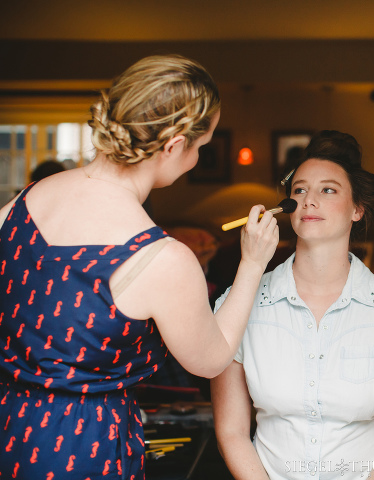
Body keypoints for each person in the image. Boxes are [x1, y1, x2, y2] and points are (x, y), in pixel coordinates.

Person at [0, 55, 279, 479]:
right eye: (201, 148)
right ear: (173, 146)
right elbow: (210, 359)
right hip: (80, 446)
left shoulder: (19, 205)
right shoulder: (161, 258)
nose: (197, 158)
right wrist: (253, 263)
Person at [211, 130, 374, 480]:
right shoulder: (239, 306)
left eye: (328, 190)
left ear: (358, 209)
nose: (309, 200)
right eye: (299, 190)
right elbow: (231, 432)